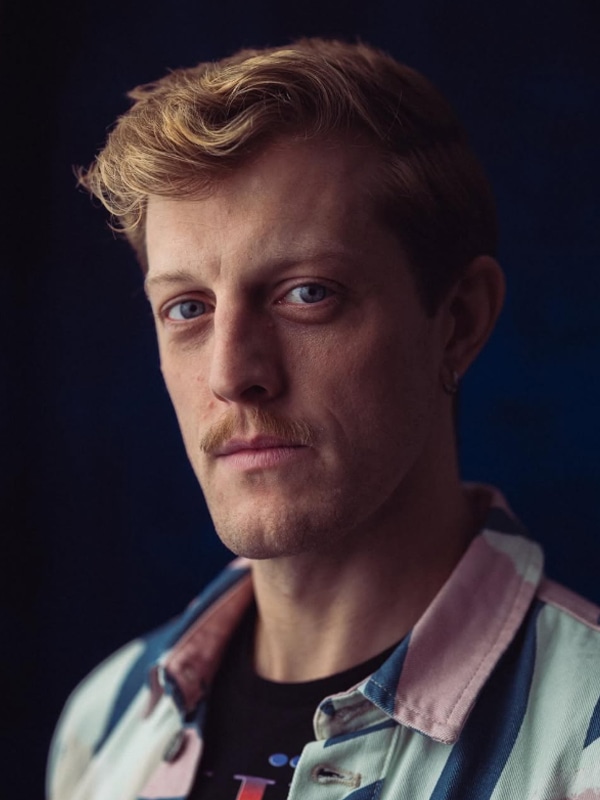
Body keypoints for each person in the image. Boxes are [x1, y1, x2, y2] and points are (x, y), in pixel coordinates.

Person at [47, 38, 600, 800]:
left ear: (459, 322)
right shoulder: (104, 725)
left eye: (307, 294)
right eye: (187, 308)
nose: (232, 375)